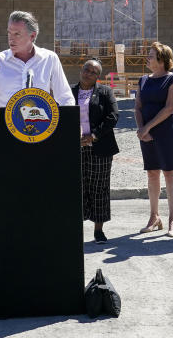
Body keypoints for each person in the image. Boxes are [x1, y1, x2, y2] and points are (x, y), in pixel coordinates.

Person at [0, 10, 74, 108]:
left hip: (39, 126)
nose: (11, 38)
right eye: (9, 33)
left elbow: (65, 97)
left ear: (32, 36)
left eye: (17, 34)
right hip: (5, 127)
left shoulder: (49, 59)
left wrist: (70, 122)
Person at [135, 42, 173, 238]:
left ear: (162, 59)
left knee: (169, 174)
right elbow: (137, 107)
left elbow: (169, 108)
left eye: (151, 55)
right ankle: (154, 217)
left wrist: (148, 127)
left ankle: (172, 220)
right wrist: (141, 129)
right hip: (146, 133)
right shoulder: (143, 80)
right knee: (152, 174)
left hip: (166, 132)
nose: (148, 58)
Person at [72, 59, 120, 244]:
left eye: (93, 72)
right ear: (81, 69)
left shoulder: (105, 92)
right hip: (74, 147)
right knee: (77, 188)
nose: (88, 73)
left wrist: (93, 135)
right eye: (86, 69)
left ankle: (98, 231)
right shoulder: (69, 91)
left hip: (99, 147)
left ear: (98, 76)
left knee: (99, 188)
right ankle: (76, 229)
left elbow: (113, 116)